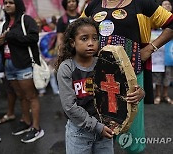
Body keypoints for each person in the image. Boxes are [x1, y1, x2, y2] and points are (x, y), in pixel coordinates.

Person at [81, 0, 173, 153]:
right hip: (99, 77)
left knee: (131, 129)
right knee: (101, 126)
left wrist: (150, 48)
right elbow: (77, 31)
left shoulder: (142, 3)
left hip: (131, 75)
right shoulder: (93, 5)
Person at [56, 17, 145, 154]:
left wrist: (139, 93)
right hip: (79, 133)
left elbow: (124, 88)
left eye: (95, 38)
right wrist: (97, 127)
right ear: (72, 43)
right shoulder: (67, 68)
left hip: (105, 131)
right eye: (84, 39)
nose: (91, 43)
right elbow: (69, 107)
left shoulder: (105, 64)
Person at [0, 0, 44, 143]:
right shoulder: (5, 24)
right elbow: (4, 43)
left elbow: (33, 38)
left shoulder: (26, 20)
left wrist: (11, 36)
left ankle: (36, 128)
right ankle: (26, 122)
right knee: (20, 96)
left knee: (31, 96)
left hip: (23, 64)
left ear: (18, 4)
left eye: (11, 2)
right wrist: (0, 42)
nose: (7, 5)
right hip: (9, 64)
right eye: (5, 3)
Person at [153, 0, 173, 105]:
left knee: (168, 75)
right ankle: (157, 95)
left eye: (169, 4)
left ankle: (165, 95)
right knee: (157, 76)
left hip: (170, 55)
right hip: (158, 56)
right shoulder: (156, 22)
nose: (167, 6)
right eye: (165, 4)